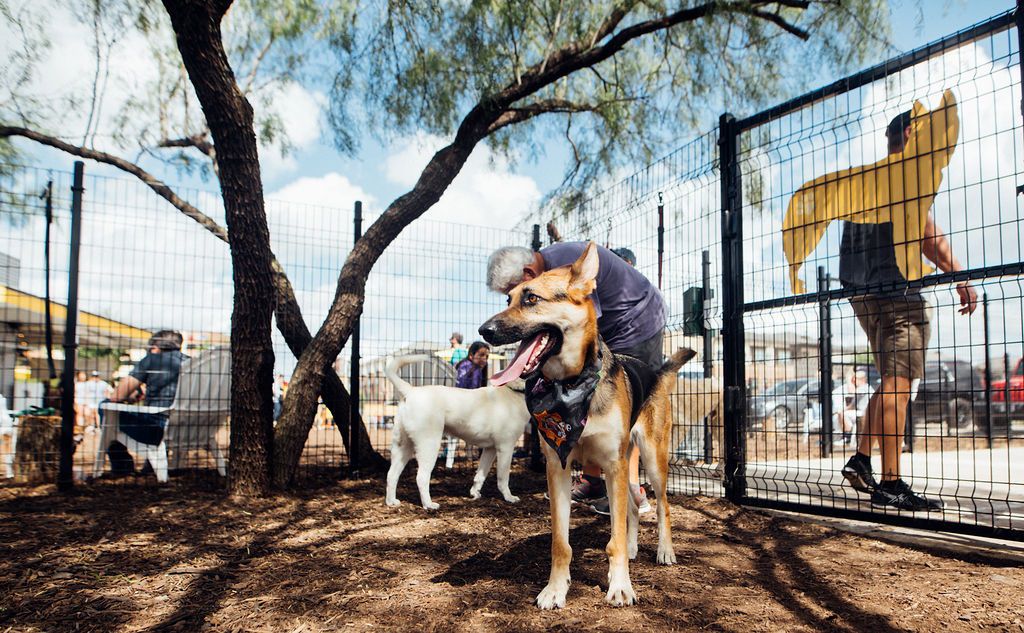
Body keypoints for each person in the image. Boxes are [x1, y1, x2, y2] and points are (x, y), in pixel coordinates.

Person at [836, 109, 977, 511]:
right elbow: (924, 234)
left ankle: (861, 458)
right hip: (898, 292)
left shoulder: (865, 182)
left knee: (889, 379)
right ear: (912, 132)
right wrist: (959, 275)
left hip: (863, 293)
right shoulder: (907, 173)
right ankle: (891, 483)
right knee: (900, 382)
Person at [486, 241, 665, 515]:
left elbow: (587, 324)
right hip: (613, 326)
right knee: (589, 403)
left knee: (625, 407)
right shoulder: (549, 269)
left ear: (526, 275)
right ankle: (593, 480)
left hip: (637, 322)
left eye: (520, 294)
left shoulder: (565, 265)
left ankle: (632, 490)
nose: (515, 302)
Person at [104, 330, 187, 474]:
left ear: (155, 347)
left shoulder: (152, 359)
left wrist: (128, 397)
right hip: (190, 427)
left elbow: (116, 396)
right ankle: (151, 465)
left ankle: (121, 464)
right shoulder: (192, 362)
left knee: (105, 406)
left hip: (156, 429)